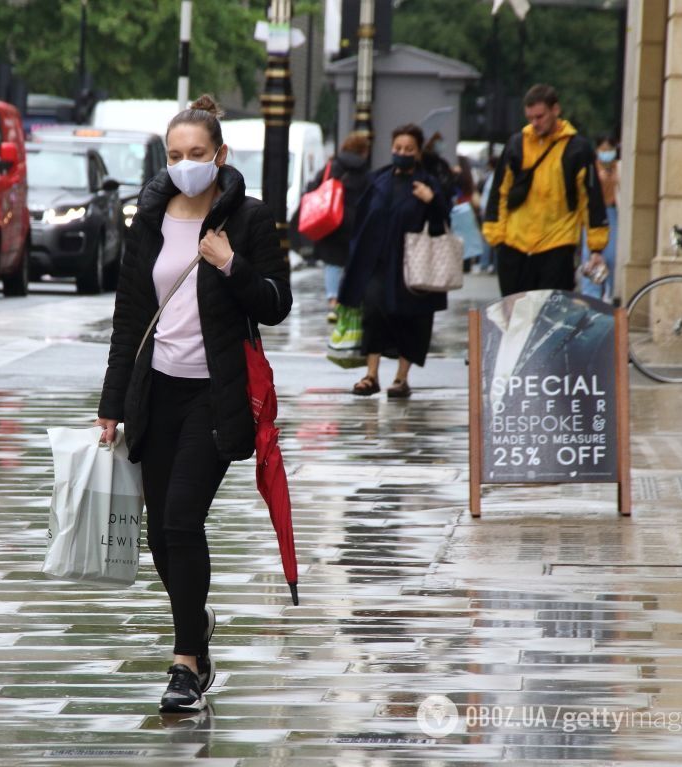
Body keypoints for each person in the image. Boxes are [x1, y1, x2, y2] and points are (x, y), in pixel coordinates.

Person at [95, 94, 292, 713]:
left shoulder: (250, 219)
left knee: (182, 519)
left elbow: (277, 304)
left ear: (221, 155)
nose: (185, 164)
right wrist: (111, 403)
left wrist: (231, 265)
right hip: (158, 392)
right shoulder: (148, 220)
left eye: (197, 154)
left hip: (218, 394)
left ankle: (186, 663)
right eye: (175, 155)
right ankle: (196, 622)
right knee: (161, 536)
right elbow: (130, 316)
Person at [338, 123, 449, 399]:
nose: (402, 153)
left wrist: (431, 201)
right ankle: (371, 375)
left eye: (408, 149)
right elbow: (362, 221)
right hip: (378, 263)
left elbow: (440, 226)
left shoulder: (427, 184)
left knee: (412, 320)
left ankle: (401, 378)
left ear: (418, 152)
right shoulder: (378, 181)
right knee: (373, 313)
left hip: (413, 266)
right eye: (398, 148)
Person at [482, 83, 609, 297]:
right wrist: (497, 238)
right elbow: (499, 192)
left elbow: (590, 199)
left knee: (550, 319)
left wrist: (596, 247)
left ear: (555, 110)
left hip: (557, 246)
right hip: (515, 246)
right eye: (530, 117)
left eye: (540, 117)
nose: (534, 123)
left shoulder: (577, 149)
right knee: (515, 319)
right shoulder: (516, 145)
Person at [301, 132, 371, 322]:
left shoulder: (332, 166)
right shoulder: (366, 173)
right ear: (364, 151)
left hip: (331, 219)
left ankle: (333, 302)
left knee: (332, 264)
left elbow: (313, 187)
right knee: (351, 263)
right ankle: (348, 302)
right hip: (355, 222)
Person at [578, 135, 620, 300]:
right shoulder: (592, 169)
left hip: (612, 212)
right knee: (590, 255)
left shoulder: (618, 168)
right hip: (593, 213)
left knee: (610, 256)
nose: (606, 153)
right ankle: (591, 295)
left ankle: (609, 293)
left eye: (609, 150)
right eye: (603, 150)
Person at [449, 157, 485, 273]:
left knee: (456, 236)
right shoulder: (468, 176)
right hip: (467, 208)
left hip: (457, 207)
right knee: (466, 237)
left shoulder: (456, 175)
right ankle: (467, 264)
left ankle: (459, 263)